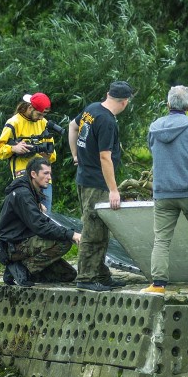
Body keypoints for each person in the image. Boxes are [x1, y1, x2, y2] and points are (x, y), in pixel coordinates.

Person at [142, 85, 188, 294]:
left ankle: (158, 285)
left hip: (163, 193)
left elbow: (152, 150)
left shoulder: (154, 127)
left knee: (162, 240)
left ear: (168, 104)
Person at [68, 80, 133, 292]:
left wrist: (75, 156)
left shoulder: (92, 108)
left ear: (108, 94)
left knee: (102, 230)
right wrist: (114, 189)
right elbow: (105, 157)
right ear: (125, 102)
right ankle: (86, 277)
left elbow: (72, 125)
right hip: (97, 184)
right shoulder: (107, 121)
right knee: (93, 230)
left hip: (84, 177)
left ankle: (101, 274)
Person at [0, 158, 79, 287]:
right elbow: (40, 226)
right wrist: (71, 234)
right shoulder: (23, 194)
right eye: (45, 173)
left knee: (68, 275)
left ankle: (21, 270)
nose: (49, 178)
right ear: (33, 174)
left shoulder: (31, 191)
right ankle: (22, 269)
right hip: (14, 246)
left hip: (24, 239)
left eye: (50, 174)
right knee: (64, 241)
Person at [0, 92, 56, 211]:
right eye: (39, 114)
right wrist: (13, 148)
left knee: (46, 217)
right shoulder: (14, 122)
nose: (41, 118)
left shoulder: (43, 123)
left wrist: (46, 154)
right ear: (30, 108)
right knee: (30, 216)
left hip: (44, 178)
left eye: (43, 115)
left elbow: (52, 154)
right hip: (24, 178)